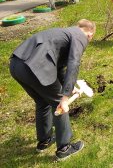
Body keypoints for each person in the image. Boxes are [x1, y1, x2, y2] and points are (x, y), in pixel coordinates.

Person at [9, 19, 96, 161]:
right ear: (90, 34)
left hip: (16, 64)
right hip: (36, 67)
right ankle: (64, 148)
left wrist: (70, 87)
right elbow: (74, 63)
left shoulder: (63, 33)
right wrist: (65, 97)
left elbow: (60, 66)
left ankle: (44, 141)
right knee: (58, 103)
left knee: (42, 101)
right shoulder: (81, 36)